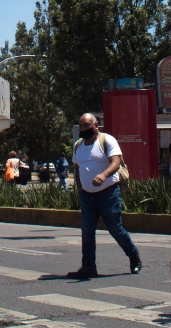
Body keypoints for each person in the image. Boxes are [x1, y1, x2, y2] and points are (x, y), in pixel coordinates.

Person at [68, 113, 142, 279]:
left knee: (116, 229)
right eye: (81, 125)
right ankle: (88, 267)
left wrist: (103, 175)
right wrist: (80, 188)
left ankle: (133, 256)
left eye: (86, 125)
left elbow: (116, 162)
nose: (83, 129)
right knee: (87, 231)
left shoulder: (107, 140)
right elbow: (77, 167)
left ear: (96, 125)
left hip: (108, 193)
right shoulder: (78, 145)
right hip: (87, 197)